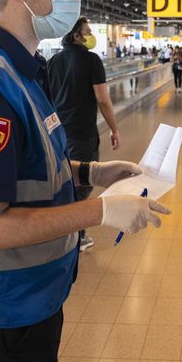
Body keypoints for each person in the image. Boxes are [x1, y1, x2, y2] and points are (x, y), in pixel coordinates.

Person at [0, 0, 171, 362]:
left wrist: (93, 173)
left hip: (30, 297)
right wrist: (101, 210)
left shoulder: (24, 69)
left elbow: (27, 169)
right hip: (3, 311)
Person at [48, 16, 122, 251]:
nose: (91, 34)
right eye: (88, 31)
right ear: (77, 35)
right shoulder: (91, 60)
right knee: (83, 182)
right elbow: (103, 99)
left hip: (58, 132)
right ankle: (75, 233)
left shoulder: (52, 61)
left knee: (64, 178)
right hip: (82, 131)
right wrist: (114, 128)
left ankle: (67, 230)